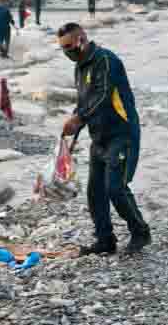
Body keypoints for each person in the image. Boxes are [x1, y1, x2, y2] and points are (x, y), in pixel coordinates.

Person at [58, 23, 151, 255]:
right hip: (98, 137)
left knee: (115, 188)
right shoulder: (80, 67)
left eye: (69, 46)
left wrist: (79, 118)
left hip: (121, 134)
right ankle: (105, 239)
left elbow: (102, 96)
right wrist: (73, 131)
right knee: (95, 191)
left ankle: (140, 232)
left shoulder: (106, 60)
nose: (67, 51)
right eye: (63, 48)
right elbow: (84, 101)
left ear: (82, 38)